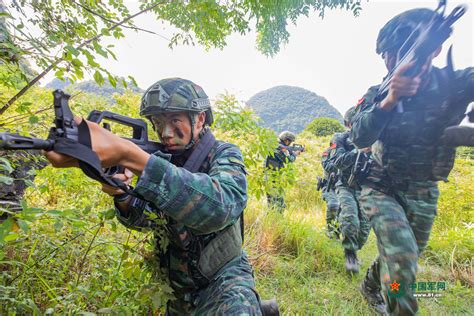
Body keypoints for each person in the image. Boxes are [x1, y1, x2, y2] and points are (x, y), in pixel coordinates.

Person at [44, 78, 263, 315]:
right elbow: (149, 220)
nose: (166, 132)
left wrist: (134, 157)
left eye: (175, 121)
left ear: (199, 119)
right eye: (158, 122)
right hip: (178, 289)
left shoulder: (224, 154)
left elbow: (221, 208)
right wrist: (122, 195)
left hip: (224, 280)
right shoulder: (162, 156)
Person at [351, 8, 474, 315]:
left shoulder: (455, 83)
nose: (392, 63)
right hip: (381, 187)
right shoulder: (377, 94)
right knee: (404, 258)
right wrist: (389, 101)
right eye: (387, 56)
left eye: (399, 53)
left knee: (404, 255)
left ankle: (372, 282)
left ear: (436, 49)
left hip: (424, 190)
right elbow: (359, 136)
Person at [328, 107, 370, 274]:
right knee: (351, 218)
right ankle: (350, 254)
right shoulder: (341, 139)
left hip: (365, 189)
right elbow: (337, 161)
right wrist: (357, 151)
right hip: (345, 185)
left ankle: (354, 248)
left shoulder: (372, 140)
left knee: (365, 228)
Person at [264, 131, 301, 212]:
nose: (289, 144)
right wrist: (294, 154)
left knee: (273, 199)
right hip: (273, 177)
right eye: (290, 142)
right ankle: (275, 217)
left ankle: (274, 217)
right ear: (286, 140)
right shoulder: (279, 147)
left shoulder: (276, 145)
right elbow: (288, 160)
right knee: (277, 199)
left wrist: (291, 152)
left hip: (272, 175)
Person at [320, 145, 340, 239]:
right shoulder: (329, 151)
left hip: (346, 186)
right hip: (329, 186)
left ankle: (337, 232)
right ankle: (330, 231)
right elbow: (326, 165)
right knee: (333, 205)